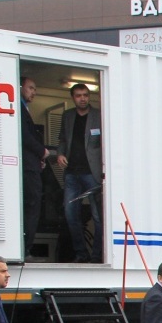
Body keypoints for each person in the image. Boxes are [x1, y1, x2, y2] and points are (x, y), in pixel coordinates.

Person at [57, 83, 104, 263]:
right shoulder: (68, 116)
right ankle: (81, 254)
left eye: (85, 95)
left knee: (98, 216)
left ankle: (97, 255)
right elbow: (62, 139)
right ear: (73, 98)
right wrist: (60, 154)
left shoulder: (99, 115)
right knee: (71, 215)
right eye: (78, 95)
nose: (82, 98)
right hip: (72, 173)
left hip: (92, 173)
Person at [20, 77, 49, 259]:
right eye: (30, 88)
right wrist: (42, 152)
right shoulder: (19, 109)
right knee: (31, 207)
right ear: (20, 87)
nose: (34, 92)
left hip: (31, 165)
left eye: (35, 89)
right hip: (28, 168)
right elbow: (24, 136)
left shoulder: (24, 109)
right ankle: (25, 249)